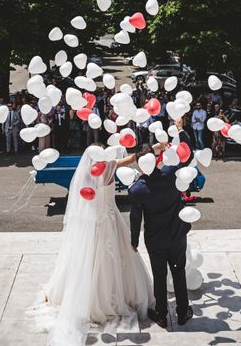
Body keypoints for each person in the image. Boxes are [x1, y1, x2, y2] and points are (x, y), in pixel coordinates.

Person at [30, 144, 153, 345]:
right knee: (116, 261)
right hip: (111, 221)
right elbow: (131, 159)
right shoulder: (111, 166)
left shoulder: (87, 175)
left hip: (96, 222)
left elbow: (82, 201)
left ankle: (91, 299)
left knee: (91, 262)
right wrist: (151, 148)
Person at [128, 120, 194, 330]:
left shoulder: (136, 189)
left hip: (155, 240)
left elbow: (135, 218)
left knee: (159, 276)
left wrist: (134, 241)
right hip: (177, 236)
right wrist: (181, 129)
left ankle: (162, 314)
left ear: (140, 164)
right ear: (156, 159)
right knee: (179, 273)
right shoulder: (171, 174)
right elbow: (188, 154)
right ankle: (183, 313)